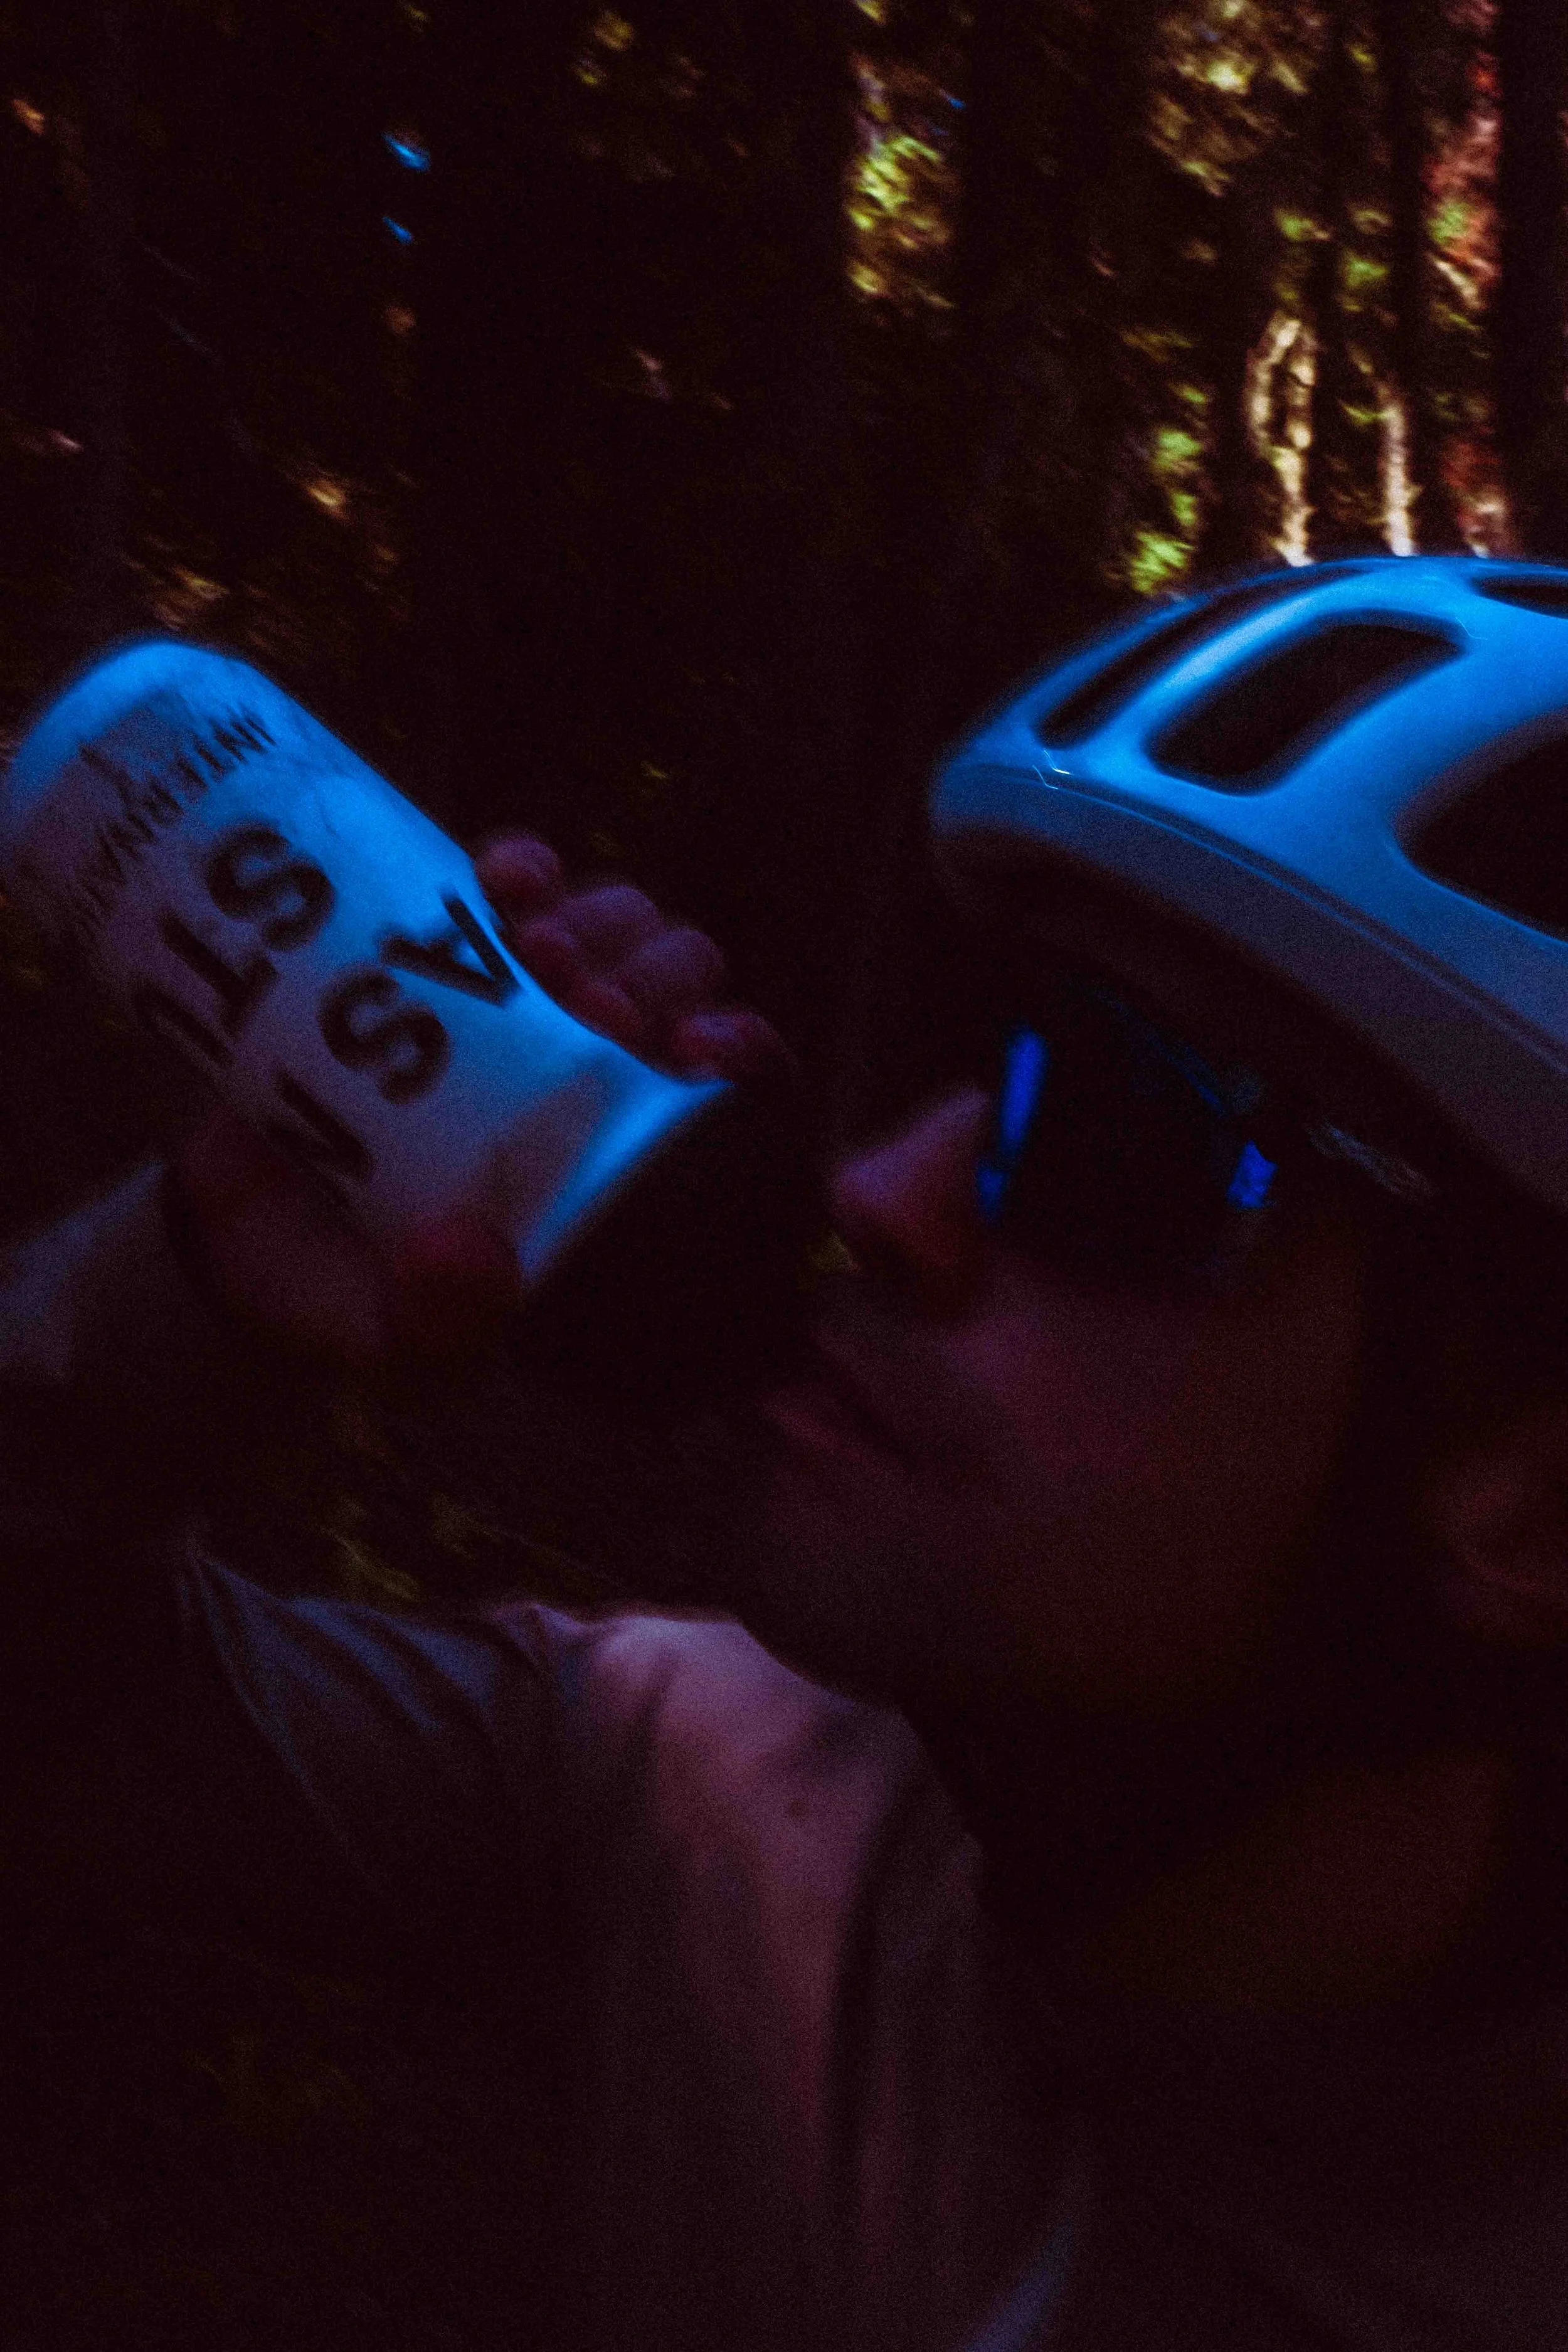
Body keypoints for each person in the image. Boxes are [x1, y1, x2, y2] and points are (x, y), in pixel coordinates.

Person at [7, 552, 1568, 2350]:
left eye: (1120, 1137)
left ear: (1530, 1511)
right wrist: (185, 1295)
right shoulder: (729, 1790)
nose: (882, 1197)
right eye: (959, 1068)